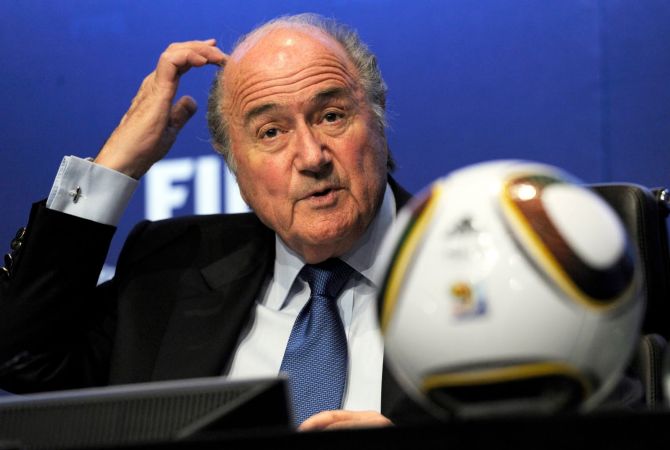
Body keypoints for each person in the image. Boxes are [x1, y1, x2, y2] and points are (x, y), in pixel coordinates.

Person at [0, 13, 430, 430]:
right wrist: (115, 164)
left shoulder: (459, 262)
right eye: (271, 132)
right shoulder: (170, 270)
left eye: (331, 116)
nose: (312, 156)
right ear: (233, 162)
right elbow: (23, 359)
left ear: (378, 117)